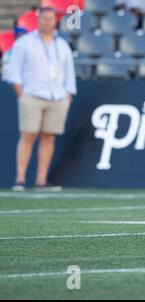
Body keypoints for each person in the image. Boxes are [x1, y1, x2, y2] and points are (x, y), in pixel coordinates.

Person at [8, 6, 77, 192]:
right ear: (38, 20)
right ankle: (20, 179)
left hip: (57, 97)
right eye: (44, 19)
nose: (48, 22)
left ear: (56, 21)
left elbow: (69, 72)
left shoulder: (61, 44)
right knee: (28, 136)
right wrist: (21, 94)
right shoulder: (24, 43)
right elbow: (13, 71)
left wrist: (68, 95)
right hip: (32, 95)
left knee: (49, 138)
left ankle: (41, 180)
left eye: (51, 19)